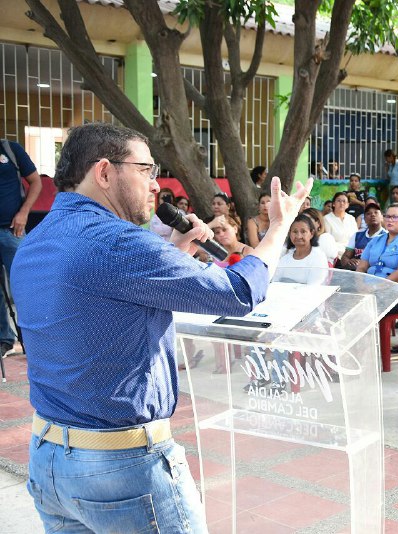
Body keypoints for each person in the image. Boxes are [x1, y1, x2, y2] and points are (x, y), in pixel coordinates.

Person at [11, 122, 310, 532]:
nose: (155, 184)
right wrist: (278, 227)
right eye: (145, 169)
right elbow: (239, 292)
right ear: (104, 172)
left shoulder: (35, 240)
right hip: (121, 466)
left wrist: (172, 253)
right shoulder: (117, 241)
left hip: (49, 457)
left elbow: (95, 309)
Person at [0, 138, 41, 356]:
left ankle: (34, 338)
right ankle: (4, 340)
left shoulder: (10, 149)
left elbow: (36, 182)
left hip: (12, 230)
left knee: (24, 285)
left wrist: (24, 213)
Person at [357, 203, 398, 314]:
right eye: (387, 216)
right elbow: (361, 268)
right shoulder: (375, 240)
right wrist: (360, 286)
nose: (390, 220)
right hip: (368, 288)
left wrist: (375, 287)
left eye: (395, 217)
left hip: (395, 291)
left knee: (363, 309)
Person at [277, 214, 329, 285]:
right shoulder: (284, 258)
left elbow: (313, 287)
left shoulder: (319, 257)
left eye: (303, 231)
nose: (299, 236)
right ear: (290, 233)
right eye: (295, 232)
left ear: (312, 233)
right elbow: (275, 282)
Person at [339, 203, 386, 270]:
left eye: (376, 212)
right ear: (365, 219)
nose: (373, 215)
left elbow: (386, 262)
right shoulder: (357, 235)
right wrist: (349, 262)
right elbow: (345, 257)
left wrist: (363, 265)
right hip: (355, 272)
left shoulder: (387, 236)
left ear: (382, 217)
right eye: (368, 213)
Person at [324, 191, 359, 259]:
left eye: (344, 201)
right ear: (333, 204)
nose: (341, 203)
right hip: (335, 255)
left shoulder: (351, 219)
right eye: (338, 201)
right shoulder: (326, 219)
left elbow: (356, 238)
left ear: (347, 205)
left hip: (352, 255)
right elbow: (327, 242)